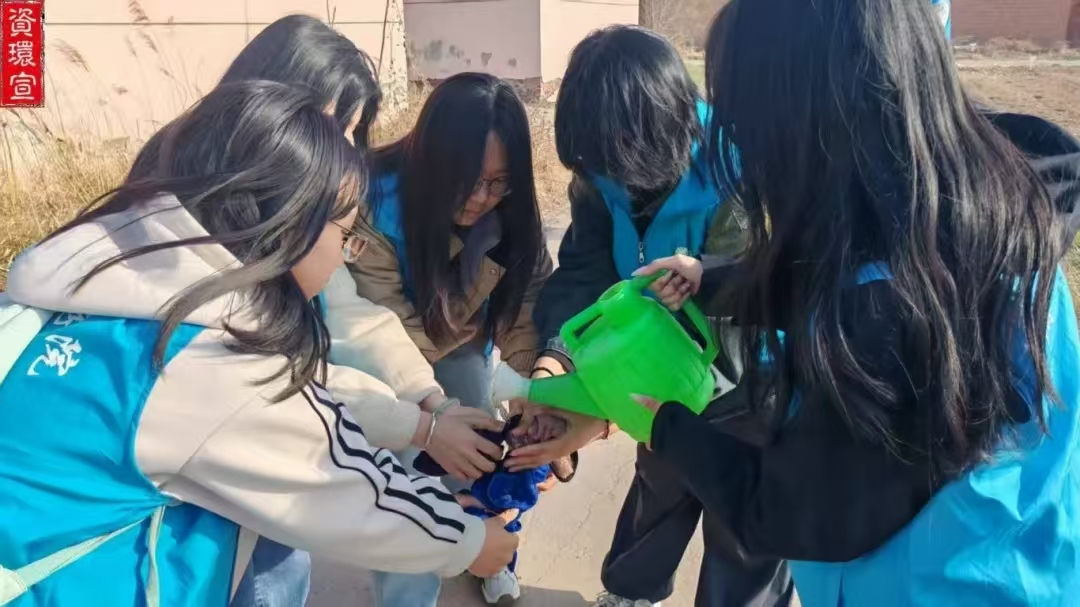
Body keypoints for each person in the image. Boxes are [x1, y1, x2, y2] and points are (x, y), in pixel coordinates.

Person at [0, 81, 517, 607]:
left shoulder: (117, 283)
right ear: (289, 222)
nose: (343, 257)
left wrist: (425, 423)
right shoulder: (209, 365)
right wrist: (470, 541)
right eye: (344, 237)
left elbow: (306, 393)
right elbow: (346, 490)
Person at [633, 0, 1080, 605]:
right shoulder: (982, 214)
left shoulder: (892, 318)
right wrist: (711, 281)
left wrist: (667, 429)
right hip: (1032, 562)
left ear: (814, 124)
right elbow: (848, 273)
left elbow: (802, 512)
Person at [518, 24, 793, 607]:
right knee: (659, 485)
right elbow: (586, 268)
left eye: (612, 161)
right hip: (654, 368)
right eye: (593, 164)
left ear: (657, 130)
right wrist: (553, 364)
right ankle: (629, 594)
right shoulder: (600, 171)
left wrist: (699, 281)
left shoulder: (738, 167)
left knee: (743, 522)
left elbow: (754, 289)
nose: (605, 177)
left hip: (748, 376)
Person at [343, 72, 553, 606]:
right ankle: (407, 597)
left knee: (486, 453)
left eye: (498, 182)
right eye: (467, 180)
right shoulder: (371, 204)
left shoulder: (512, 213)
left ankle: (492, 553)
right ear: (431, 162)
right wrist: (433, 418)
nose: (481, 198)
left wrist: (535, 392)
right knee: (404, 479)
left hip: (461, 343)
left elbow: (527, 306)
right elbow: (379, 328)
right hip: (386, 351)